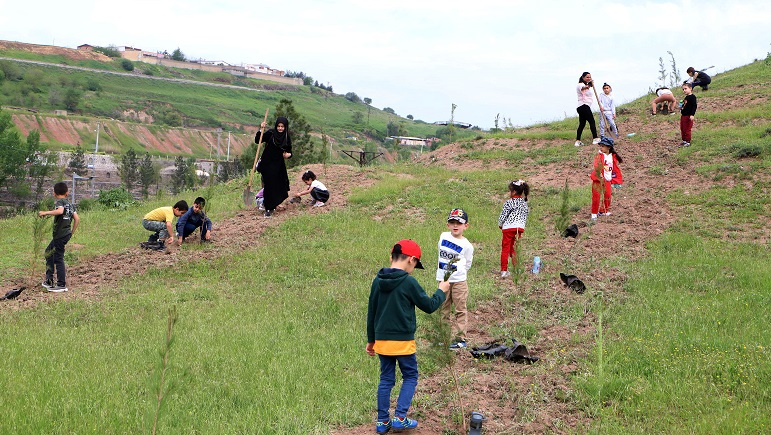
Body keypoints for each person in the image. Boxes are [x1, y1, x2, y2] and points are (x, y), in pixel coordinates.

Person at [366, 239, 451, 434]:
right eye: (415, 265)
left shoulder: (377, 281)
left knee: (386, 379)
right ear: (411, 260)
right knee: (410, 376)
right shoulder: (408, 281)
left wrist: (371, 340)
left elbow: (372, 312)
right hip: (403, 341)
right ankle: (400, 418)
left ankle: (382, 422)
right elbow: (429, 306)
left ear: (391, 257)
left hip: (382, 341)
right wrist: (442, 290)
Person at [435, 208, 474, 349]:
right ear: (448, 225)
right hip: (443, 280)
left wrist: (459, 274)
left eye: (459, 223)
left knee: (460, 309)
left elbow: (468, 263)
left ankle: (460, 339)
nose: (455, 225)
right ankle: (443, 337)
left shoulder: (467, 245)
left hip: (459, 281)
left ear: (466, 226)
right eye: (452, 222)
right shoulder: (443, 236)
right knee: (443, 308)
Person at [38, 181, 80, 293]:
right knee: (49, 252)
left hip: (60, 235)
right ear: (67, 193)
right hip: (65, 234)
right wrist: (71, 232)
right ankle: (49, 281)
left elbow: (60, 211)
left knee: (58, 258)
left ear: (54, 193)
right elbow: (77, 219)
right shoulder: (70, 205)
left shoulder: (60, 202)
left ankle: (61, 284)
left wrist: (45, 213)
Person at [255, 117, 292, 217]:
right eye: (279, 126)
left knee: (280, 185)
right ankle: (268, 208)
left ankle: (274, 204)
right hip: (267, 164)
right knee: (269, 186)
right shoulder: (271, 133)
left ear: (285, 127)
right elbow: (258, 140)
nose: (280, 128)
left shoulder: (286, 137)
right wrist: (261, 129)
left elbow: (290, 151)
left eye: (282, 127)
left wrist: (288, 155)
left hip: (278, 165)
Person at [498, 180, 529, 278]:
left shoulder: (509, 203)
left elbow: (503, 215)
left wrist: (500, 224)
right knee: (515, 249)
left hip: (508, 228)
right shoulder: (524, 204)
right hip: (519, 228)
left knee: (505, 249)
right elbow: (525, 215)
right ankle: (516, 269)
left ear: (514, 192)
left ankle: (504, 270)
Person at [589, 137, 623, 220]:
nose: (601, 148)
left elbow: (614, 168)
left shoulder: (612, 156)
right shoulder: (599, 156)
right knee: (596, 197)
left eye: (603, 146)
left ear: (609, 147)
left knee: (608, 195)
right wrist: (599, 173)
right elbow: (597, 165)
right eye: (600, 146)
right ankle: (594, 213)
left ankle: (603, 210)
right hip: (598, 180)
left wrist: (615, 180)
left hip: (607, 179)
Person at [575, 72, 600, 147]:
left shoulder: (585, 84)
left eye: (590, 77)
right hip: (584, 106)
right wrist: (589, 85)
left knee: (582, 124)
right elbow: (583, 88)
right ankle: (595, 138)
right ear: (583, 77)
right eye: (587, 77)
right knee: (592, 121)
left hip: (581, 107)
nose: (589, 78)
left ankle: (578, 141)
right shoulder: (580, 84)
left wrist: (589, 85)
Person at [680, 83, 697, 147]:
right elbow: (685, 105)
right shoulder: (686, 97)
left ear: (690, 88)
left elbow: (694, 106)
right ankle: (684, 140)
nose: (684, 90)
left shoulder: (692, 97)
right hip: (683, 115)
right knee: (683, 128)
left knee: (687, 129)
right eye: (683, 89)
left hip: (688, 115)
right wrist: (681, 108)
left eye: (685, 89)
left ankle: (688, 141)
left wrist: (692, 114)